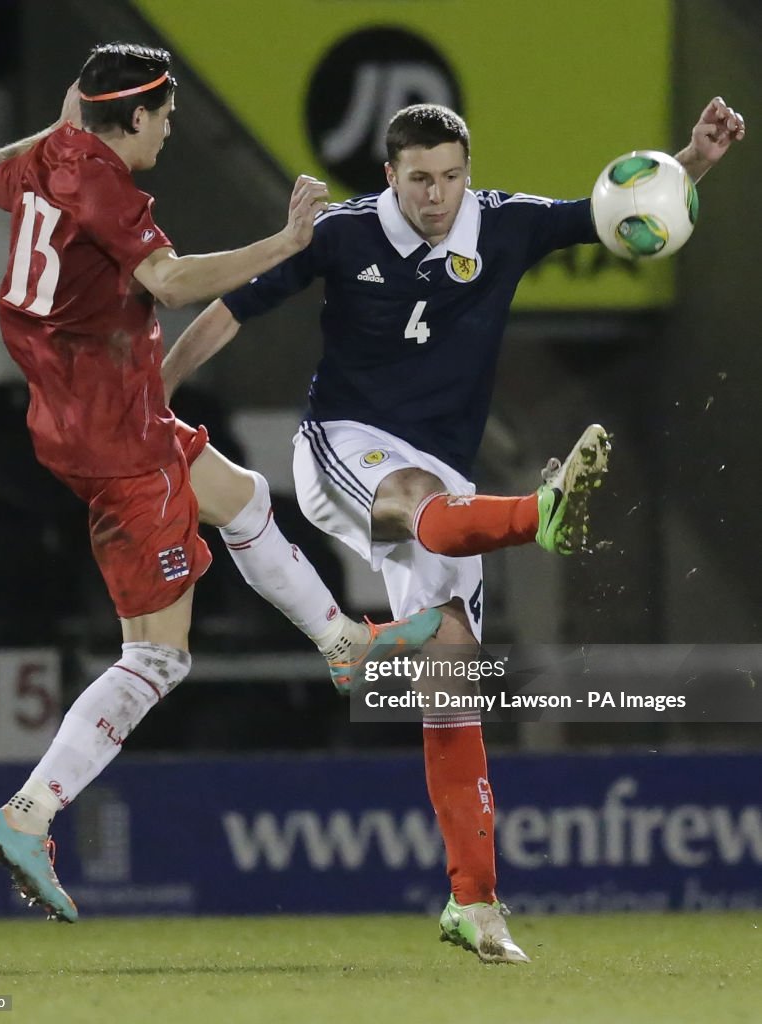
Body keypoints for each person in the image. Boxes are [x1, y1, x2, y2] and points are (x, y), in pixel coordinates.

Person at [161, 96, 745, 963]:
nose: (436, 196)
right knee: (407, 496)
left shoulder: (502, 224)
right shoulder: (342, 234)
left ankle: (473, 903)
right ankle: (533, 517)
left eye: (450, 177)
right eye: (418, 179)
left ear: (466, 171)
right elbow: (232, 311)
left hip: (447, 482)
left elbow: (616, 212)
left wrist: (691, 162)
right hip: (342, 450)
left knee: (452, 673)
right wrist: (155, 397)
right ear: (390, 175)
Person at [0, 43, 442, 923]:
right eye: (167, 116)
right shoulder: (108, 188)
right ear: (134, 116)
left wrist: (60, 126)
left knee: (245, 499)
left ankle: (341, 643)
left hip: (87, 412)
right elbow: (172, 282)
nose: (172, 130)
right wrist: (286, 240)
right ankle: (30, 812)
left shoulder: (50, 156)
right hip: (117, 437)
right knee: (156, 656)